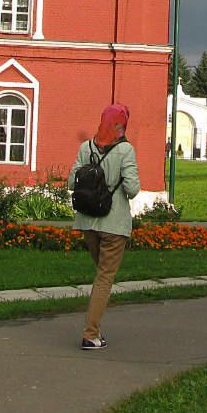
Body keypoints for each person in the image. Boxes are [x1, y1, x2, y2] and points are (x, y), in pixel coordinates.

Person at [69, 103, 140, 350]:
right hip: (114, 224)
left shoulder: (85, 147)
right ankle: (90, 334)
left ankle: (95, 328)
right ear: (121, 126)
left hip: (88, 223)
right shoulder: (126, 150)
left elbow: (71, 181)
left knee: (101, 276)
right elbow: (132, 189)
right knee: (104, 279)